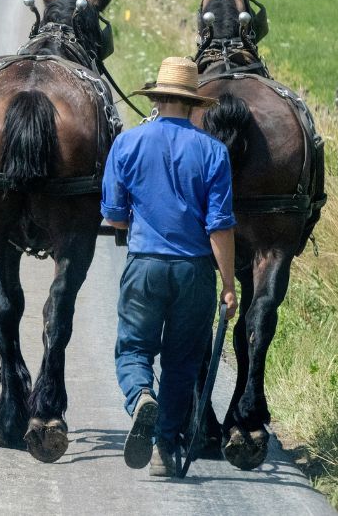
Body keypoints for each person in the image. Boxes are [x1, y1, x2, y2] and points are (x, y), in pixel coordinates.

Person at [101, 56, 239, 477]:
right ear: (195, 104)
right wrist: (229, 285)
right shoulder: (214, 152)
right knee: (181, 363)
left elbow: (115, 216)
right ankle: (164, 449)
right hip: (195, 272)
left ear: (157, 99)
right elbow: (219, 228)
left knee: (134, 348)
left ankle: (141, 395)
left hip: (144, 266)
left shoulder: (126, 144)